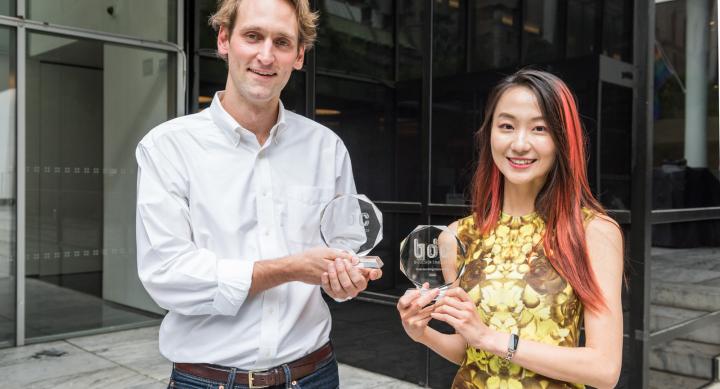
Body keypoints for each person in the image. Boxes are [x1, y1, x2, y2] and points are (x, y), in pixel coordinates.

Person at [135, 0, 382, 388]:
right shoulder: (168, 147)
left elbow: (345, 251)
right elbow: (167, 276)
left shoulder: (326, 147)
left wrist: (347, 278)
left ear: (298, 56)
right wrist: (289, 268)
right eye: (253, 36)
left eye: (282, 42)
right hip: (208, 380)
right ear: (224, 40)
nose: (266, 56)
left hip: (313, 375)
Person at [397, 69, 623, 389]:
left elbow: (604, 369)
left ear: (562, 138)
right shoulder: (457, 236)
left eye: (539, 128)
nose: (519, 143)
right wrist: (421, 333)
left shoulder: (593, 232)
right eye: (506, 126)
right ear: (490, 134)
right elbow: (468, 350)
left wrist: (491, 338)